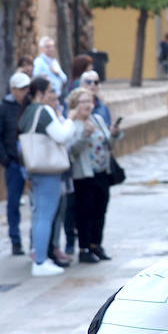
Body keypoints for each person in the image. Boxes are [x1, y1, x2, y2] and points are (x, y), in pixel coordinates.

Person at [18, 77, 73, 276]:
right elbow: (61, 136)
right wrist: (70, 120)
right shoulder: (43, 111)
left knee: (39, 214)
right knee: (45, 216)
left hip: (35, 170)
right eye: (50, 91)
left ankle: (39, 256)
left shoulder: (27, 112)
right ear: (40, 93)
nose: (53, 94)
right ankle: (40, 261)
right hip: (47, 170)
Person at [65, 87, 118, 263]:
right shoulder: (72, 125)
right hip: (84, 175)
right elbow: (71, 150)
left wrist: (114, 135)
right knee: (85, 212)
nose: (88, 105)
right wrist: (84, 136)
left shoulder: (98, 119)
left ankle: (97, 245)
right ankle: (84, 248)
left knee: (100, 210)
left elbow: (108, 144)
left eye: (90, 101)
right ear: (74, 105)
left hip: (102, 172)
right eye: (83, 102)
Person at [0, 71, 31, 254]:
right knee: (13, 203)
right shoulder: (3, 108)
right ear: (13, 89)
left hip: (31, 162)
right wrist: (5, 160)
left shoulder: (31, 106)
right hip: (14, 163)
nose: (25, 92)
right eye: (21, 88)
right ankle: (15, 240)